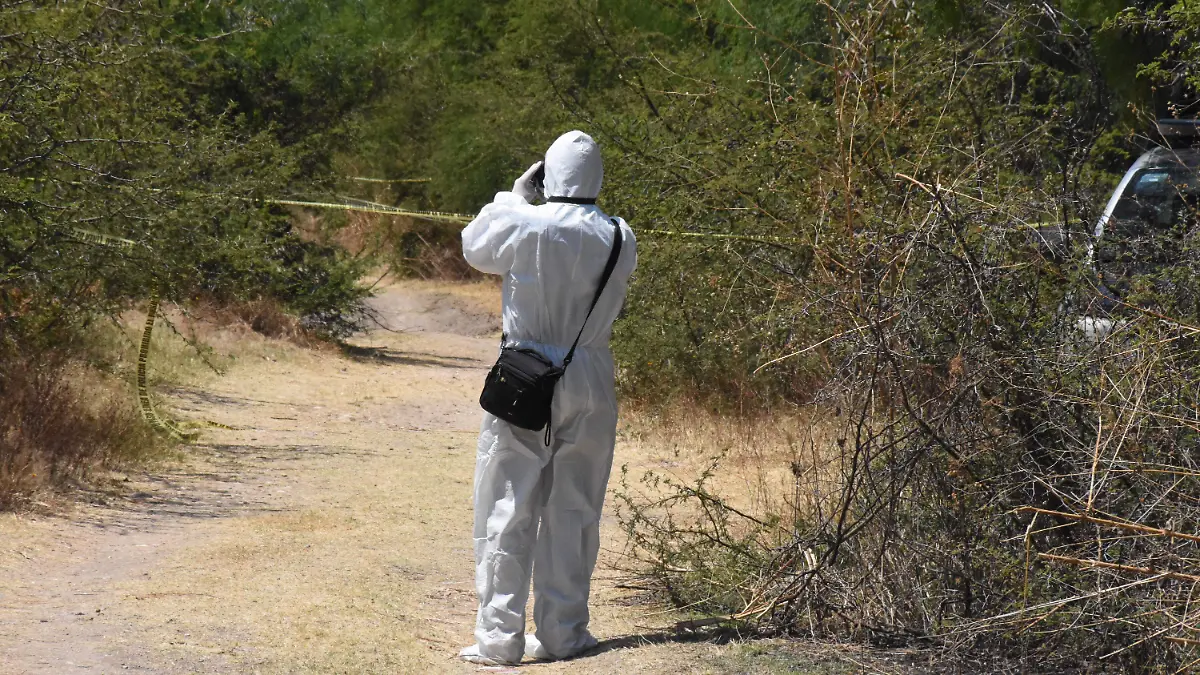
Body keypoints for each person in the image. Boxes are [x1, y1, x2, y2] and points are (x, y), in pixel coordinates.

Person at [457, 130, 637, 666]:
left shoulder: (524, 220)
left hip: (527, 371)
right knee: (576, 506)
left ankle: (498, 639)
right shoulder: (620, 234)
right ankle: (564, 633)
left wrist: (513, 196)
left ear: (548, 174)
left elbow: (476, 248)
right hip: (590, 371)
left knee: (506, 506)